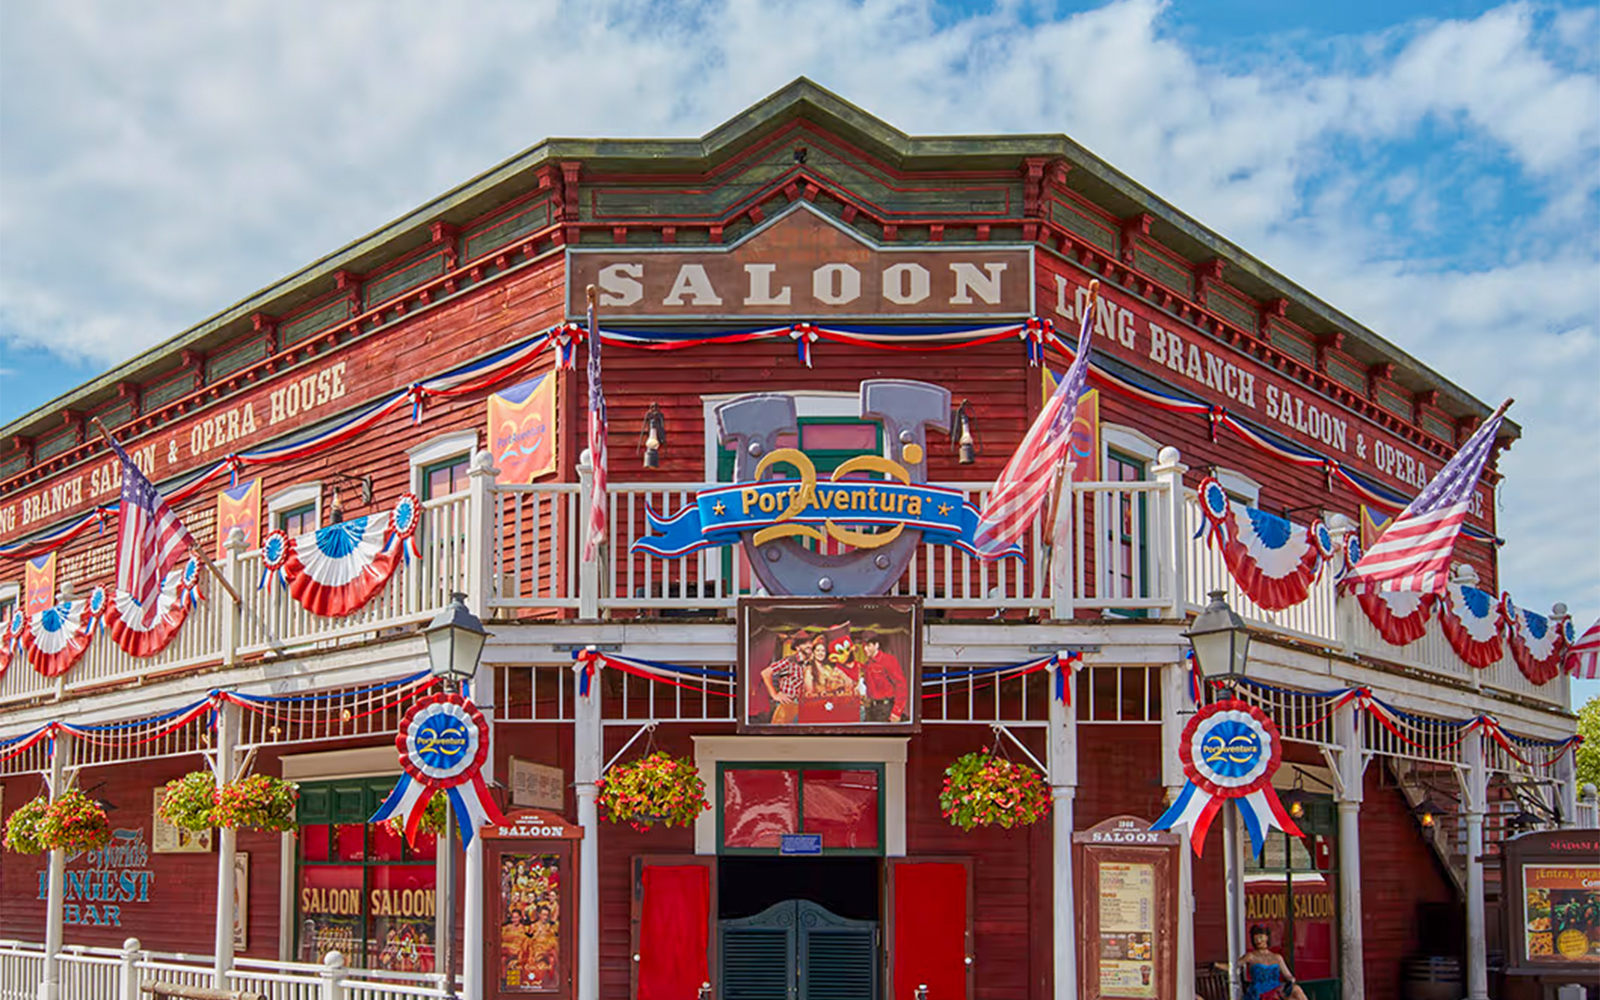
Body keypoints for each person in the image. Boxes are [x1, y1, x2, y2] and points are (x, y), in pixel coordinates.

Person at [1238, 925, 1307, 1000]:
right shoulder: (1251, 956)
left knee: (1296, 989)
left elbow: (1288, 975)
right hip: (1261, 991)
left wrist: (1291, 980)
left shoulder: (1277, 957)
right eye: (1256, 938)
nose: (1258, 941)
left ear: (1267, 938)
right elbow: (1233, 965)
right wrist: (1224, 965)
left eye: (1261, 937)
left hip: (1276, 988)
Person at [759, 633, 811, 724]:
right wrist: (774, 695)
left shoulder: (810, 663)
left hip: (804, 705)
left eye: (810, 643)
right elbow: (766, 673)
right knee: (782, 732)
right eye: (804, 643)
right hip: (788, 704)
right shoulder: (789, 661)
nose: (809, 645)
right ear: (797, 647)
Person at [858, 632, 907, 722]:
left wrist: (897, 711)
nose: (865, 649)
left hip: (885, 708)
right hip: (871, 709)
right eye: (863, 645)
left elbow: (901, 685)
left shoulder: (888, 660)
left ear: (876, 645)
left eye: (868, 645)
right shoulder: (868, 664)